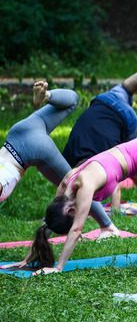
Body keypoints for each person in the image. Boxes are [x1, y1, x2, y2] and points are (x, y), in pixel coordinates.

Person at [2, 77, 137, 274]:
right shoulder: (66, 182)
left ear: (71, 210)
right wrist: (28, 258)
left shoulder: (84, 188)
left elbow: (76, 229)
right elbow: (48, 222)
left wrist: (58, 267)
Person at [0, 81, 117, 237]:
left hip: (32, 151)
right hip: (17, 134)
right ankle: (47, 96)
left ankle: (108, 226)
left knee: (77, 184)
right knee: (73, 99)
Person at [62, 53, 137, 215]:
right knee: (124, 89)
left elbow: (116, 186)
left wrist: (113, 215)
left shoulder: (98, 163)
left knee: (133, 161)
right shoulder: (72, 154)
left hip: (124, 117)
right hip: (103, 101)